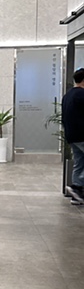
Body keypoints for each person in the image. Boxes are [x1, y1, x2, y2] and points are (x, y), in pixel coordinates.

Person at [61, 66, 84, 206]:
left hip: (72, 136)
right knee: (79, 163)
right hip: (82, 135)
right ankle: (77, 187)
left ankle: (77, 194)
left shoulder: (67, 95)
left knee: (79, 162)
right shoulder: (81, 95)